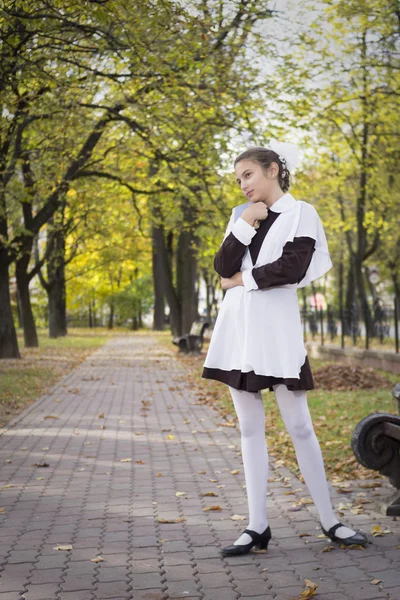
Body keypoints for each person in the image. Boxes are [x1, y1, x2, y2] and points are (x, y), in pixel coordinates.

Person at [201, 142, 368, 556]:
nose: (243, 185)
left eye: (248, 175)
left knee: (299, 426)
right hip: (238, 331)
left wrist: (242, 280)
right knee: (248, 428)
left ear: (272, 170)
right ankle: (257, 525)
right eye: (238, 179)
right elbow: (222, 267)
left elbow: (291, 268)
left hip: (277, 331)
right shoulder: (241, 216)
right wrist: (244, 224)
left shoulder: (302, 213)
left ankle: (329, 519)